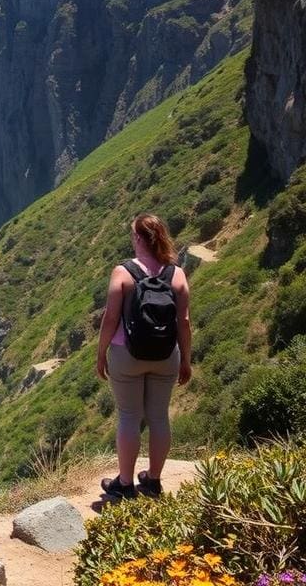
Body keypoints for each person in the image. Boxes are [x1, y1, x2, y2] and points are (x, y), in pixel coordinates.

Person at [96, 213, 192, 499]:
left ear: (138, 238)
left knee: (129, 415)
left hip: (127, 355)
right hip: (166, 355)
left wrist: (101, 354)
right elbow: (184, 322)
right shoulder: (176, 274)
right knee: (159, 416)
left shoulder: (123, 272)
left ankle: (125, 484)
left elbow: (110, 317)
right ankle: (152, 481)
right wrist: (186, 359)